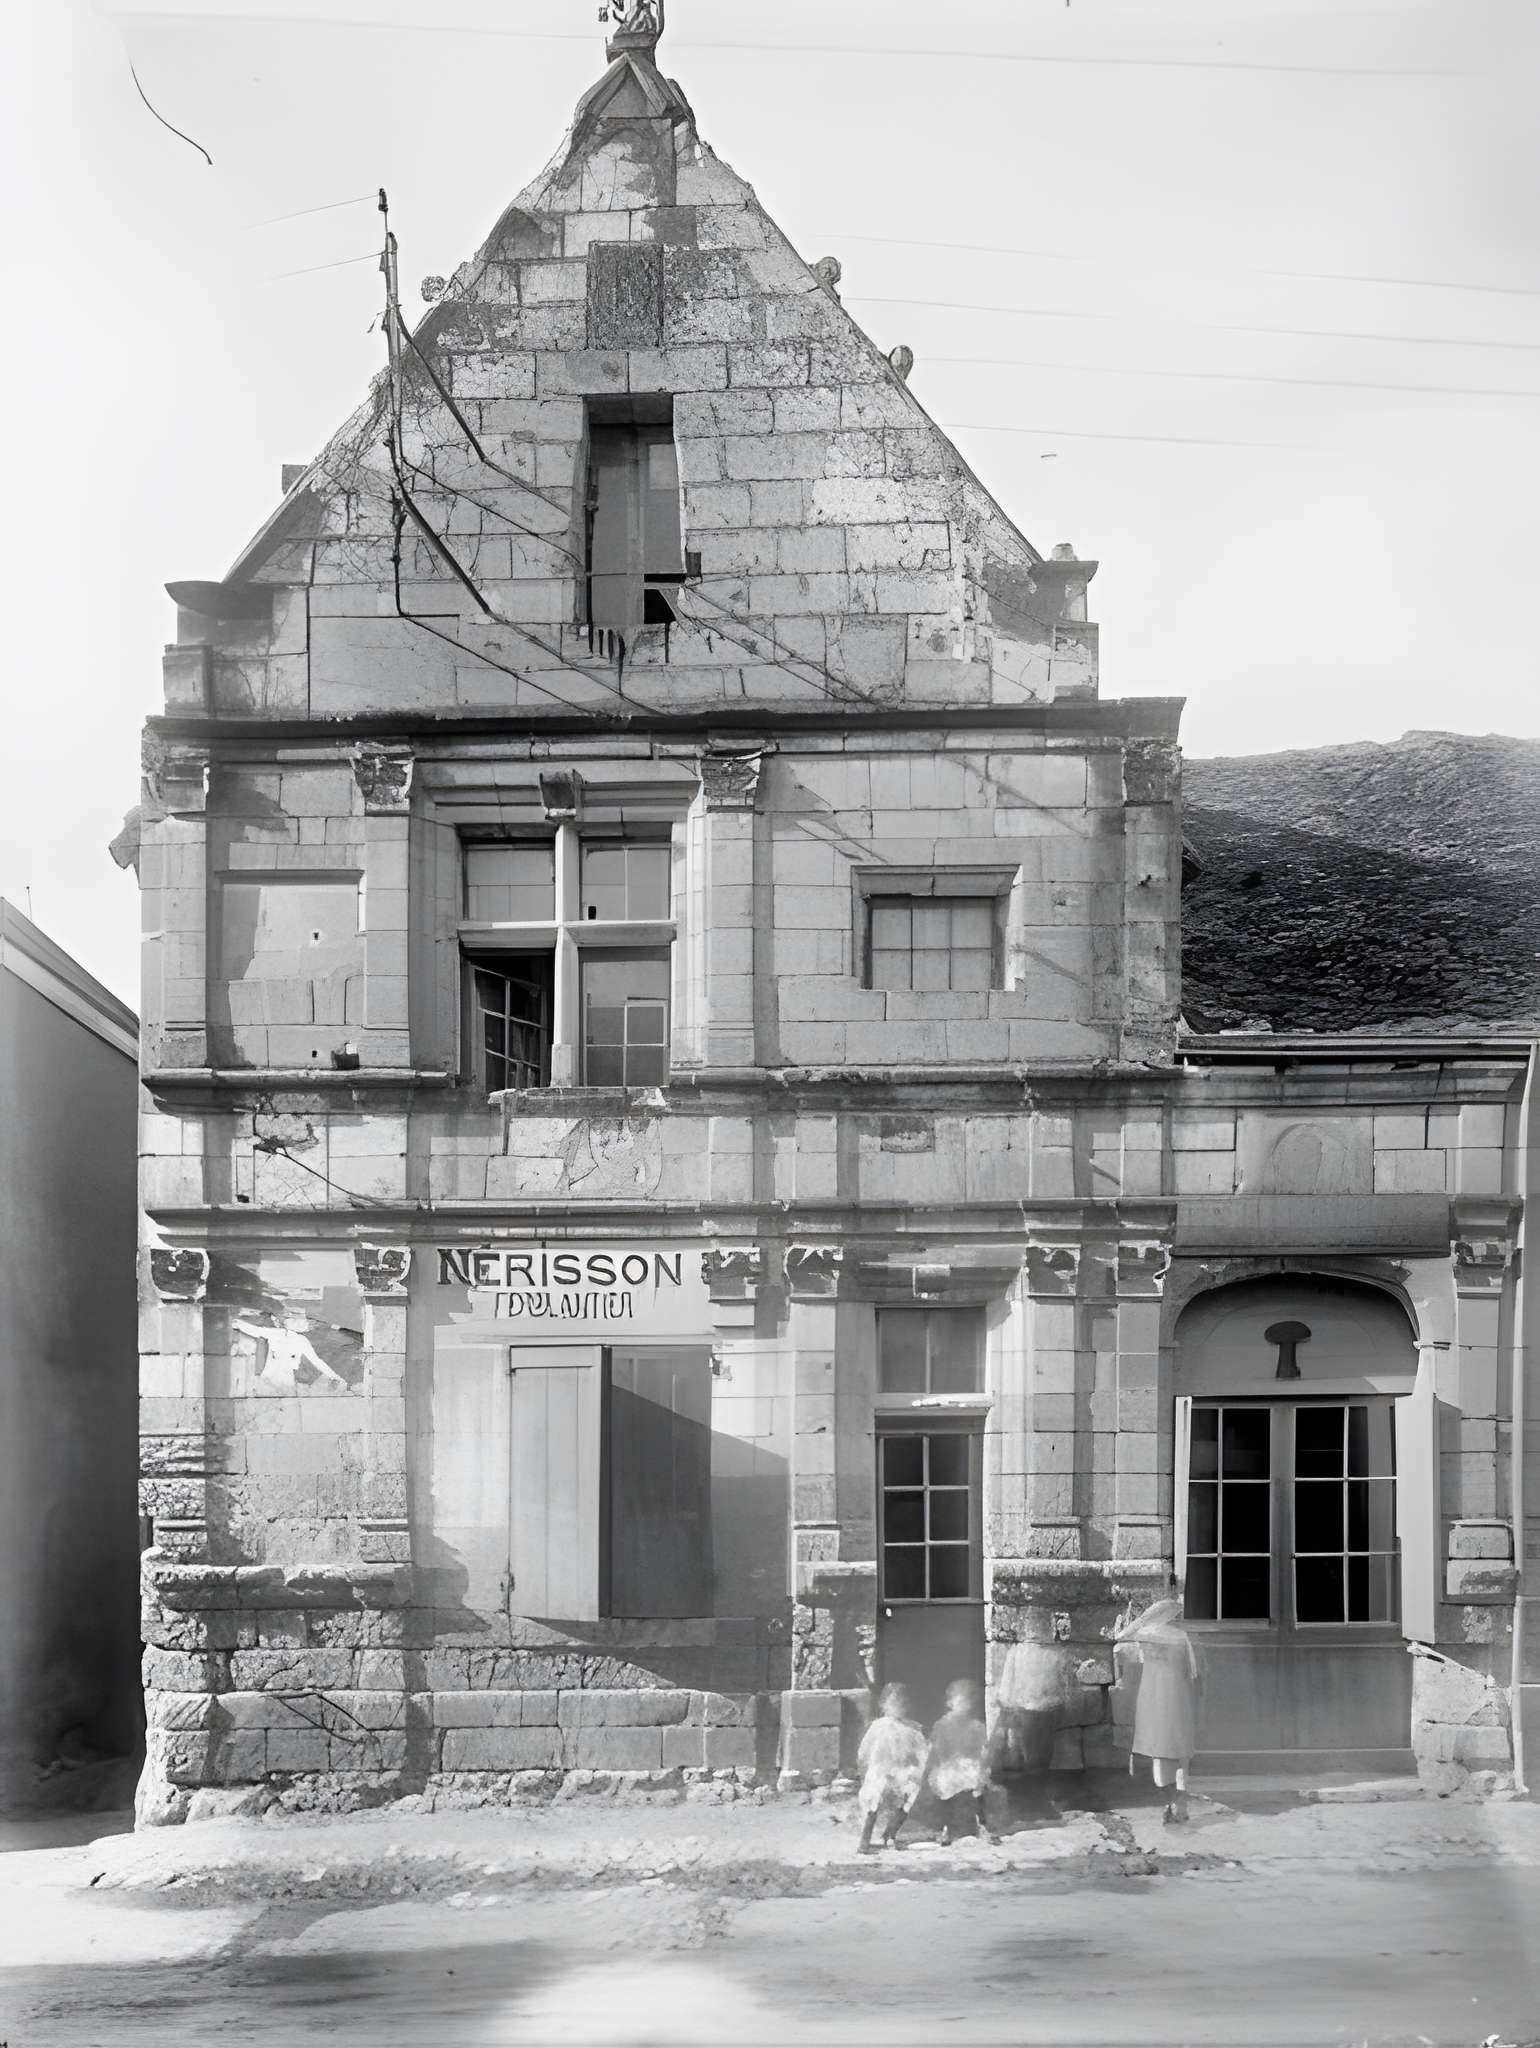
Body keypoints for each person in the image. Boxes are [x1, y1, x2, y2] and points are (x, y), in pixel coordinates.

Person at [1113, 1590, 1200, 1824]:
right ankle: (1180, 1802)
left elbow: (1122, 1636)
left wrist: (1142, 1618)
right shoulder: (1181, 1636)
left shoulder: (1145, 1633)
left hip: (1154, 1694)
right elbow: (1192, 1671)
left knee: (1159, 1749)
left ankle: (1169, 1801)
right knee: (1180, 1749)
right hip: (1178, 1693)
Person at [856, 1682, 929, 1854]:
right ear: (884, 1705)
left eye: (902, 1703)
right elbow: (864, 1750)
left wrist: (918, 1768)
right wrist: (864, 1769)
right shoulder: (878, 1726)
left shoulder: (913, 1728)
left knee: (909, 1795)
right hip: (880, 1771)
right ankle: (865, 1838)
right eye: (894, 1702)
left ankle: (890, 1834)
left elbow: (921, 1752)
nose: (898, 1706)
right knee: (873, 1801)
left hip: (902, 1771)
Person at [924, 1679, 999, 1845]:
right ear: (950, 1703)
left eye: (968, 1702)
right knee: (945, 1783)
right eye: (960, 1701)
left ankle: (982, 1824)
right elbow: (938, 1749)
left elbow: (982, 1750)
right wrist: (949, 1761)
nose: (964, 1705)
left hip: (967, 1765)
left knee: (977, 1780)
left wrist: (979, 1762)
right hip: (948, 1765)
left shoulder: (976, 1726)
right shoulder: (942, 1725)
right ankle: (945, 1827)